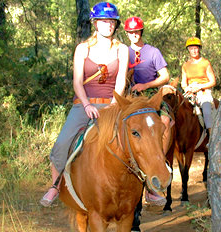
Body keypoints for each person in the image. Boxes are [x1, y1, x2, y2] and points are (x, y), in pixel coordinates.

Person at [40, 2, 129, 207]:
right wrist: (87, 105)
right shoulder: (82, 48)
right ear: (95, 23)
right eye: (103, 21)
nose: (108, 25)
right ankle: (55, 185)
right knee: (62, 143)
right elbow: (77, 82)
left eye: (112, 22)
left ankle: (150, 187)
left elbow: (121, 80)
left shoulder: (122, 49)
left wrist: (115, 104)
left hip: (112, 104)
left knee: (137, 137)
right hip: (84, 105)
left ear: (116, 25)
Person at [124, 16, 171, 206]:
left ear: (141, 32)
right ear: (126, 33)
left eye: (136, 32)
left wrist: (146, 85)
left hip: (150, 96)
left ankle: (161, 161)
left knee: (166, 121)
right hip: (129, 97)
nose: (133, 35)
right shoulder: (122, 52)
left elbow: (165, 76)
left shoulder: (153, 52)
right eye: (130, 32)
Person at [181, 36, 216, 136]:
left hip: (203, 91)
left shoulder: (205, 63)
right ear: (188, 50)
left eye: (195, 48)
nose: (194, 51)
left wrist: (200, 87)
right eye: (191, 48)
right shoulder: (185, 65)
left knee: (206, 109)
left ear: (199, 49)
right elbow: (184, 82)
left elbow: (213, 81)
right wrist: (187, 88)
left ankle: (211, 136)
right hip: (190, 91)